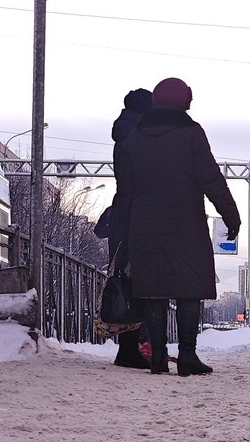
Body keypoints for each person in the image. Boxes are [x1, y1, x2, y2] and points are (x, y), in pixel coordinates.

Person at [112, 77, 241, 376]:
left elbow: (125, 193)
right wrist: (231, 217)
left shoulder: (133, 140)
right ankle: (187, 356)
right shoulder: (192, 134)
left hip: (143, 228)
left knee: (153, 290)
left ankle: (158, 357)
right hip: (187, 226)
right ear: (183, 101)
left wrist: (121, 238)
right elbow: (212, 180)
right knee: (188, 289)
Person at [96, 88, 154, 370]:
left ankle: (129, 348)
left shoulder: (125, 132)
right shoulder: (139, 135)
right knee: (139, 282)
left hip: (123, 213)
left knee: (127, 281)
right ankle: (132, 350)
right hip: (137, 215)